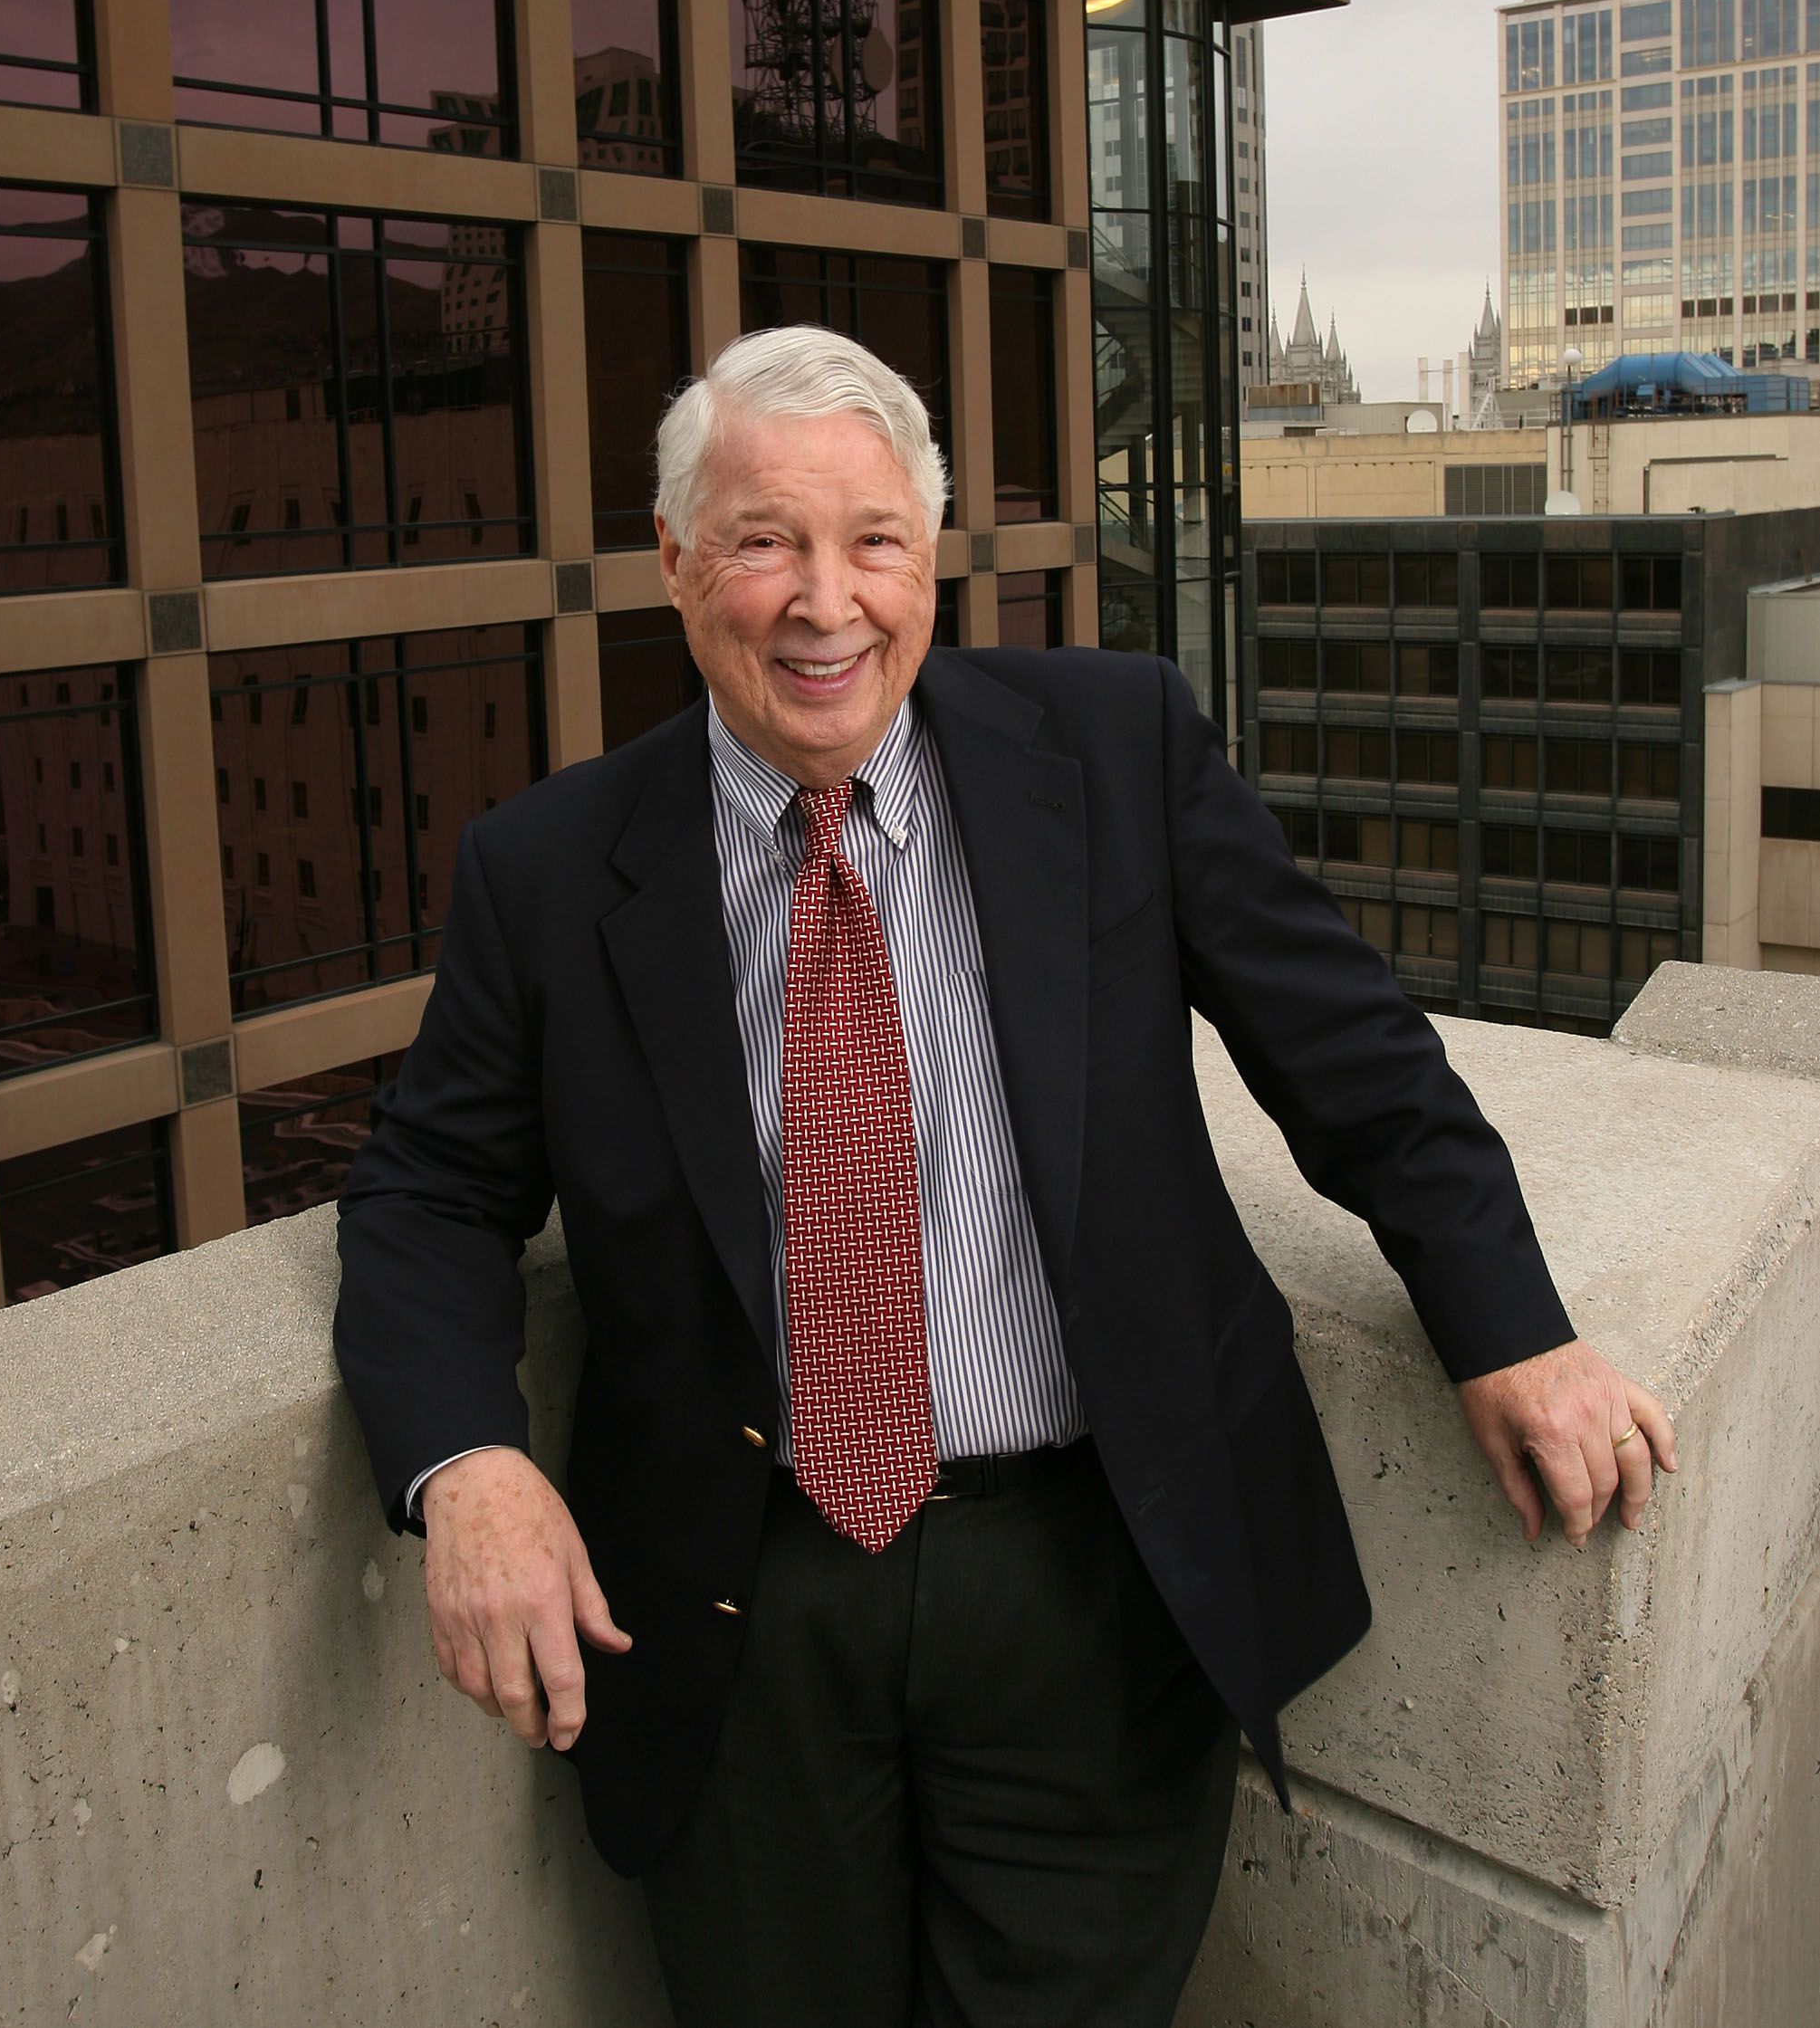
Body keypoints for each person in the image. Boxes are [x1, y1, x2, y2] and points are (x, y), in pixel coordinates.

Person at [333, 324, 1676, 2027]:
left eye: (873, 540)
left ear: (932, 556)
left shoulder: (1110, 746)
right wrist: (469, 1467)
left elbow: (1349, 1058)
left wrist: (1511, 1327)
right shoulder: (543, 869)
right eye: (763, 542)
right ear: (675, 565)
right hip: (738, 1603)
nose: (827, 601)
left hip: (1093, 1577)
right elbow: (427, 1194)